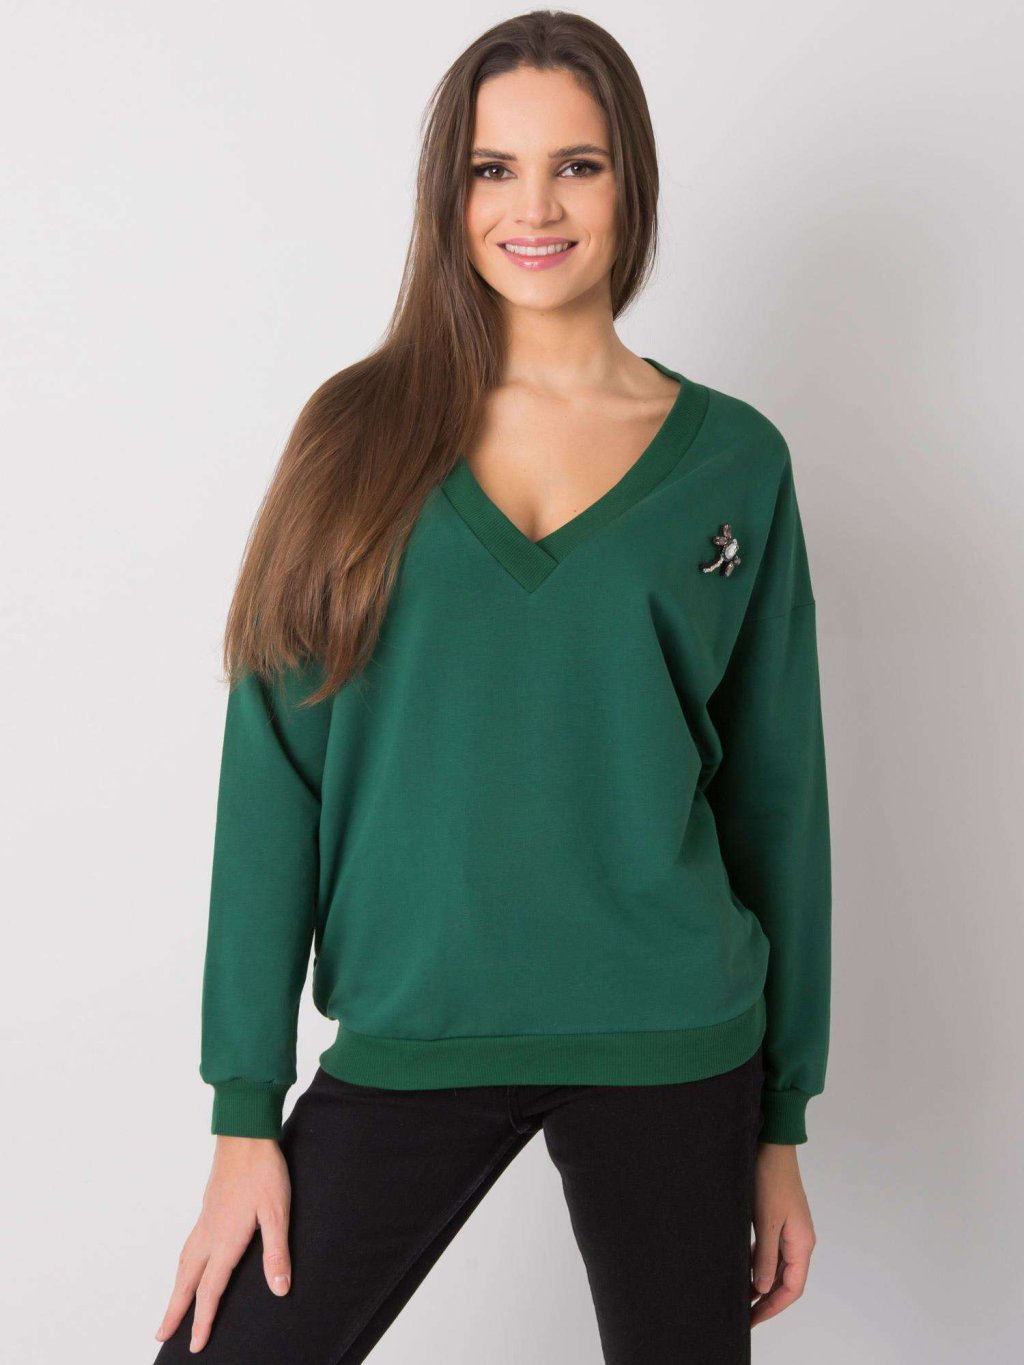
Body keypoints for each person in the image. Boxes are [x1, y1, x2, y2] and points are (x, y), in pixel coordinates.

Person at [153, 10, 831, 1363]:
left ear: (630, 182)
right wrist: (244, 1112)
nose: (535, 207)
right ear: (448, 193)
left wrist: (779, 1124)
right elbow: (271, 776)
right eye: (492, 169)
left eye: (577, 165)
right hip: (415, 1034)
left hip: (673, 1035)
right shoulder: (355, 436)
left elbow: (777, 798)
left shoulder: (734, 461)